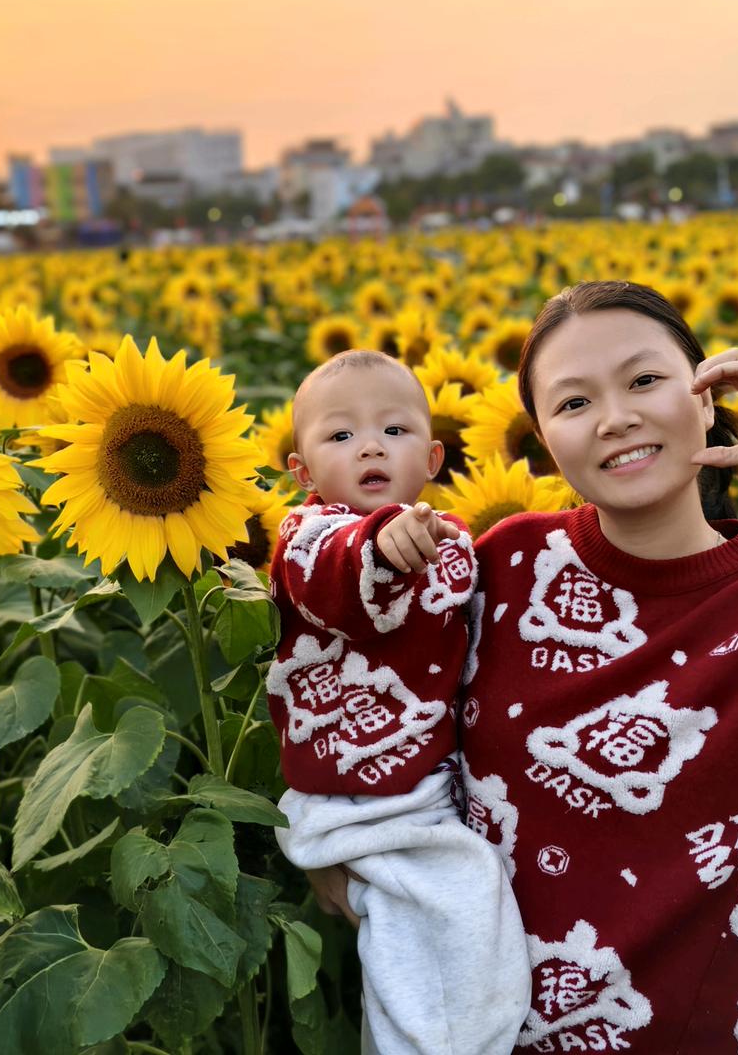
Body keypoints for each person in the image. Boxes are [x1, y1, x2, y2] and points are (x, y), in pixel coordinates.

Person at [309, 281, 738, 1053]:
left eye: (645, 381)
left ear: (708, 397)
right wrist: (342, 833)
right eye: (572, 403)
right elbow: (359, 677)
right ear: (544, 441)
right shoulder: (498, 568)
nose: (615, 418)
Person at [268, 349, 531, 1054]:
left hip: (423, 783)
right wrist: (382, 545)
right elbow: (341, 578)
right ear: (301, 470)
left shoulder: (457, 545)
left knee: (438, 939)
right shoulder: (310, 537)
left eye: (394, 429)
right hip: (355, 791)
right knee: (446, 926)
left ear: (435, 455)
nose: (371, 445)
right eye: (341, 436)